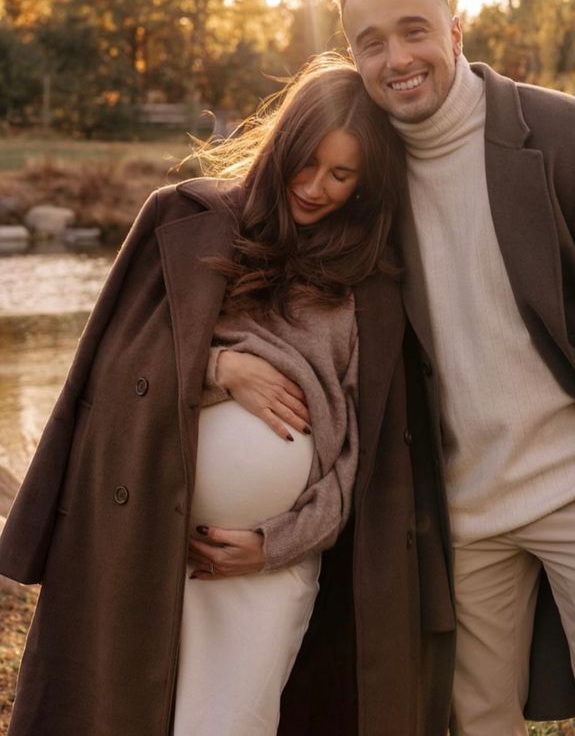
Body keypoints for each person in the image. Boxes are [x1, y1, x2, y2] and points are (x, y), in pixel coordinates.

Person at [241, 0, 575, 736]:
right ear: (353, 56)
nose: (397, 59)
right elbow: (273, 249)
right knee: (475, 724)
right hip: (463, 511)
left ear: (455, 29)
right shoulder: (370, 173)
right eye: (371, 42)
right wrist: (224, 362)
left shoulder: (569, 137)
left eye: (413, 30)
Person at [0, 54, 413, 736]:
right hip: (147, 541)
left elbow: (357, 458)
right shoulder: (185, 220)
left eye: (342, 175)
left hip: (267, 567)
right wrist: (219, 370)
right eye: (306, 164)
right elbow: (108, 373)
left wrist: (276, 541)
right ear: (280, 147)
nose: (316, 188)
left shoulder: (365, 279)